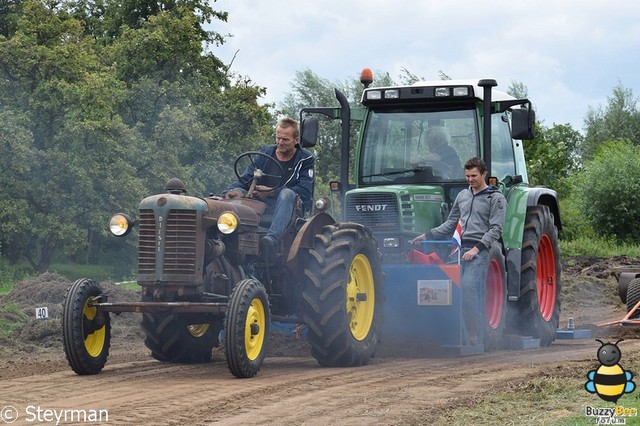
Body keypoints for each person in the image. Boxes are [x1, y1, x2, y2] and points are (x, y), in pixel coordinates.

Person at [412, 157, 506, 344]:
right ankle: (446, 329)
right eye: (467, 176)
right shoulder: (462, 196)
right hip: (459, 247)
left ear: (484, 174)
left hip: (480, 248)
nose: (470, 179)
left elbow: (496, 229)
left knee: (468, 285)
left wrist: (476, 249)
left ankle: (473, 331)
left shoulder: (495, 198)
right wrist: (428, 235)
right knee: (444, 285)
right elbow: (450, 223)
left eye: (474, 176)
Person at [224, 117, 315, 252]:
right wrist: (231, 191)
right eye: (278, 138)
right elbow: (246, 179)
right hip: (263, 203)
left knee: (286, 193)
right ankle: (230, 239)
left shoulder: (305, 159)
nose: (280, 142)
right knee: (237, 192)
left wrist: (272, 192)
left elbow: (305, 192)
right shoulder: (265, 154)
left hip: (292, 207)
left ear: (296, 140)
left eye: (285, 139)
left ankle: (272, 240)